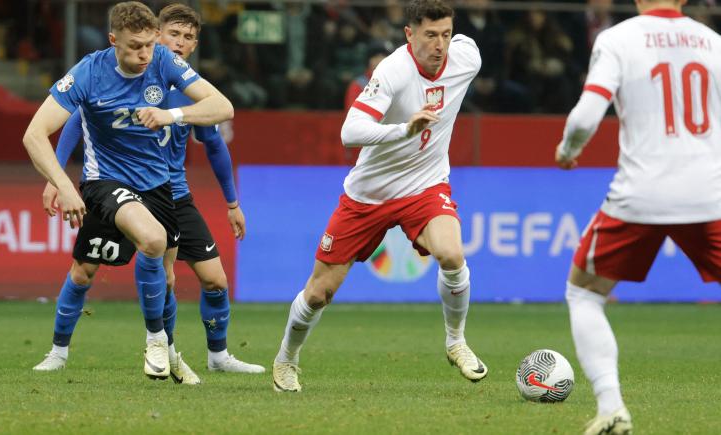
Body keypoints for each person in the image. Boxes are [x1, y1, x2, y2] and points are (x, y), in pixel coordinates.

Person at [31, 3, 264, 381]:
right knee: (86, 270)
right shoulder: (93, 72)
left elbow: (219, 129)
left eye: (187, 37)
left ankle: (186, 352)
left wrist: (231, 201)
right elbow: (66, 124)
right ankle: (63, 351)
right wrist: (56, 180)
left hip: (167, 190)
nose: (170, 45)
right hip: (109, 183)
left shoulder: (178, 79)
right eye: (173, 35)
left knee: (187, 278)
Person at [271, 0, 487, 393]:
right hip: (369, 194)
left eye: (445, 34)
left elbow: (463, 47)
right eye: (430, 35)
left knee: (452, 255)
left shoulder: (467, 57)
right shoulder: (392, 71)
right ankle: (287, 358)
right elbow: (350, 132)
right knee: (320, 293)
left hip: (425, 185)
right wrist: (405, 129)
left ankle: (456, 342)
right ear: (409, 34)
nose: (440, 45)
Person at [555, 1, 721, 433]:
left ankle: (612, 409)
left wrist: (568, 150)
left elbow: (587, 115)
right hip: (709, 195)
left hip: (641, 193)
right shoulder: (713, 43)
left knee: (584, 294)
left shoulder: (618, 39)